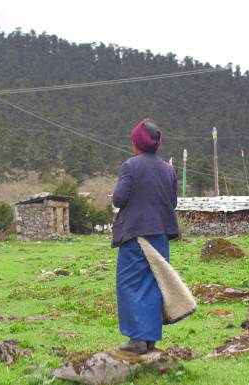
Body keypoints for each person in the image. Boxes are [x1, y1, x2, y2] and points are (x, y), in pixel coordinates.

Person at [111, 119, 179, 354]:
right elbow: (173, 202)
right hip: (160, 235)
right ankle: (150, 339)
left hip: (136, 235)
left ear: (136, 143)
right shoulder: (168, 169)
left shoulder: (130, 166)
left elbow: (119, 199)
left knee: (130, 284)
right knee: (154, 284)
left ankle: (137, 340)